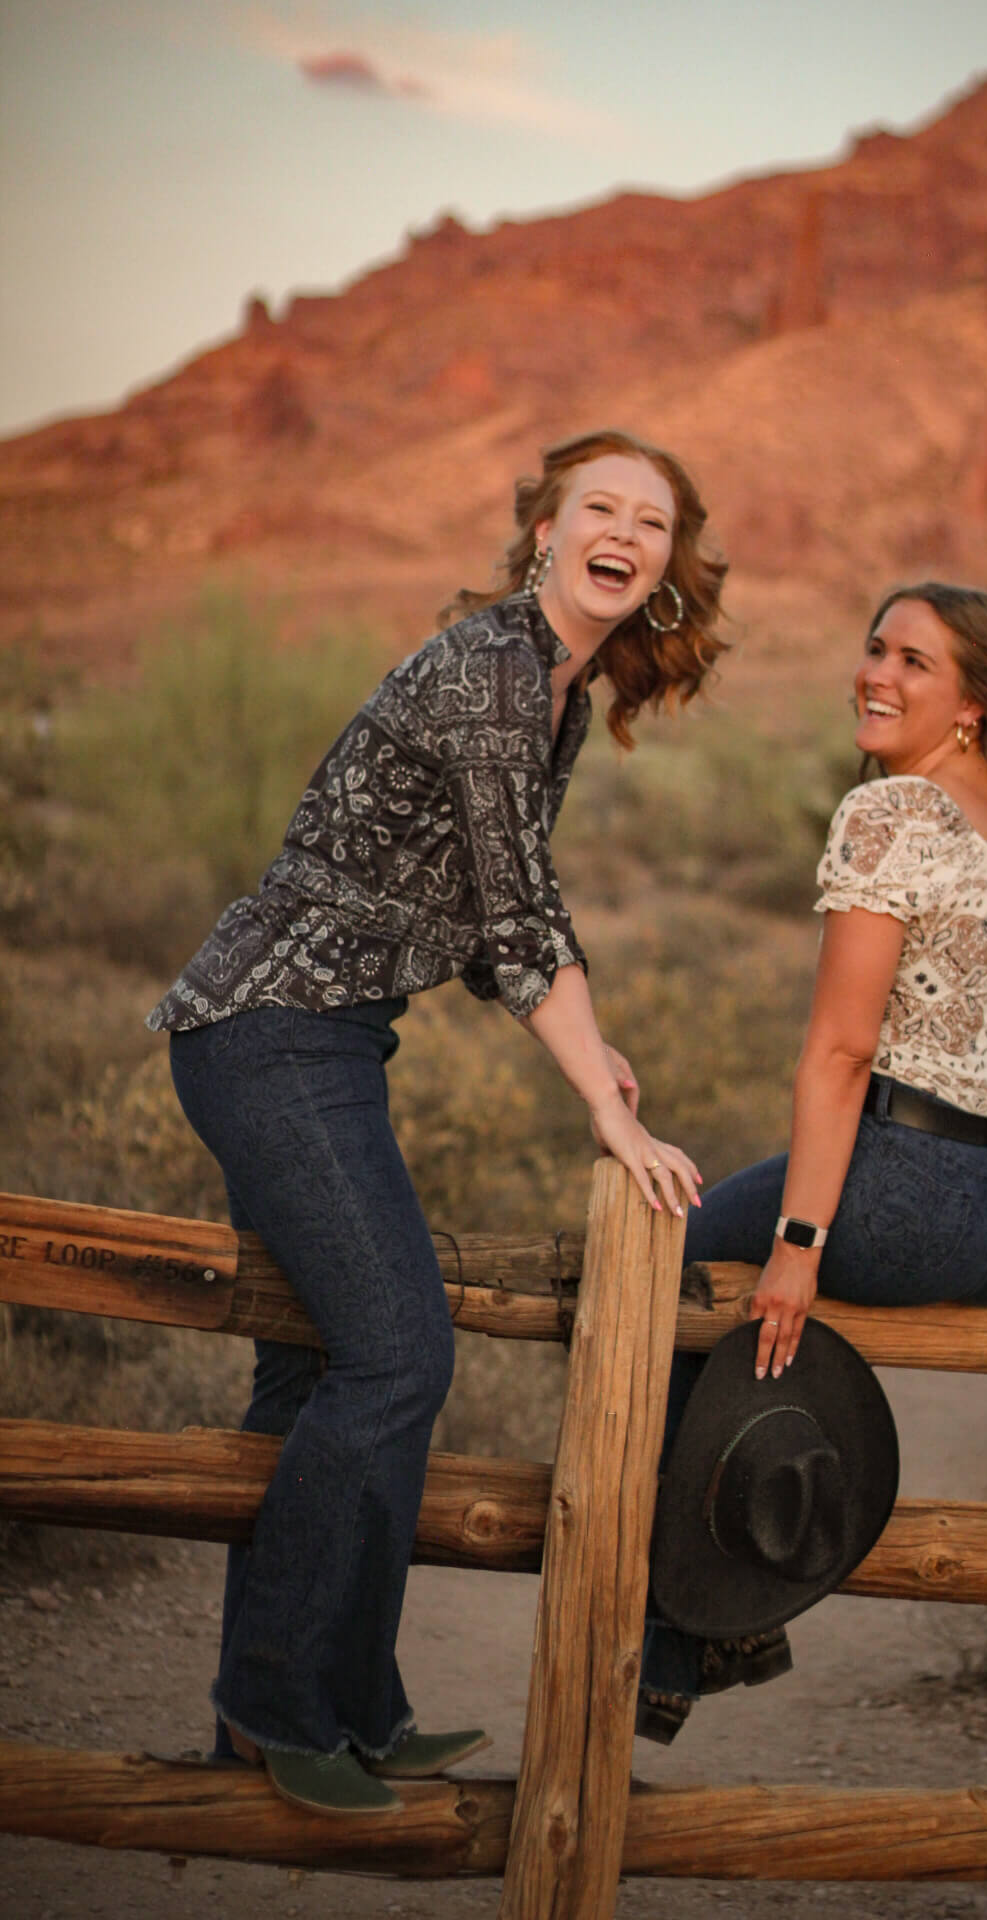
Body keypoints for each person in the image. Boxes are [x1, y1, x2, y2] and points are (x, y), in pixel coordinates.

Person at [146, 427, 728, 1814]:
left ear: (664, 568)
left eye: (653, 522)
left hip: (324, 1038)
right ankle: (285, 1708)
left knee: (312, 1372)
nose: (626, 531)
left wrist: (603, 1052)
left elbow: (486, 919)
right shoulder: (489, 675)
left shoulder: (560, 693)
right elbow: (521, 924)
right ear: (542, 530)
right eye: (600, 506)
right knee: (399, 1349)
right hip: (269, 1033)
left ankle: (332, 1708)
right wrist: (605, 1104)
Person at [637, 580, 987, 1743]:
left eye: (912, 662)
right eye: (873, 648)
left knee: (671, 1257)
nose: (875, 675)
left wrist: (796, 1249)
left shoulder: (895, 815)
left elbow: (842, 1055)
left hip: (912, 1201)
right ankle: (713, 1609)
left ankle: (694, 1631)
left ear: (972, 704)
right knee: (724, 1237)